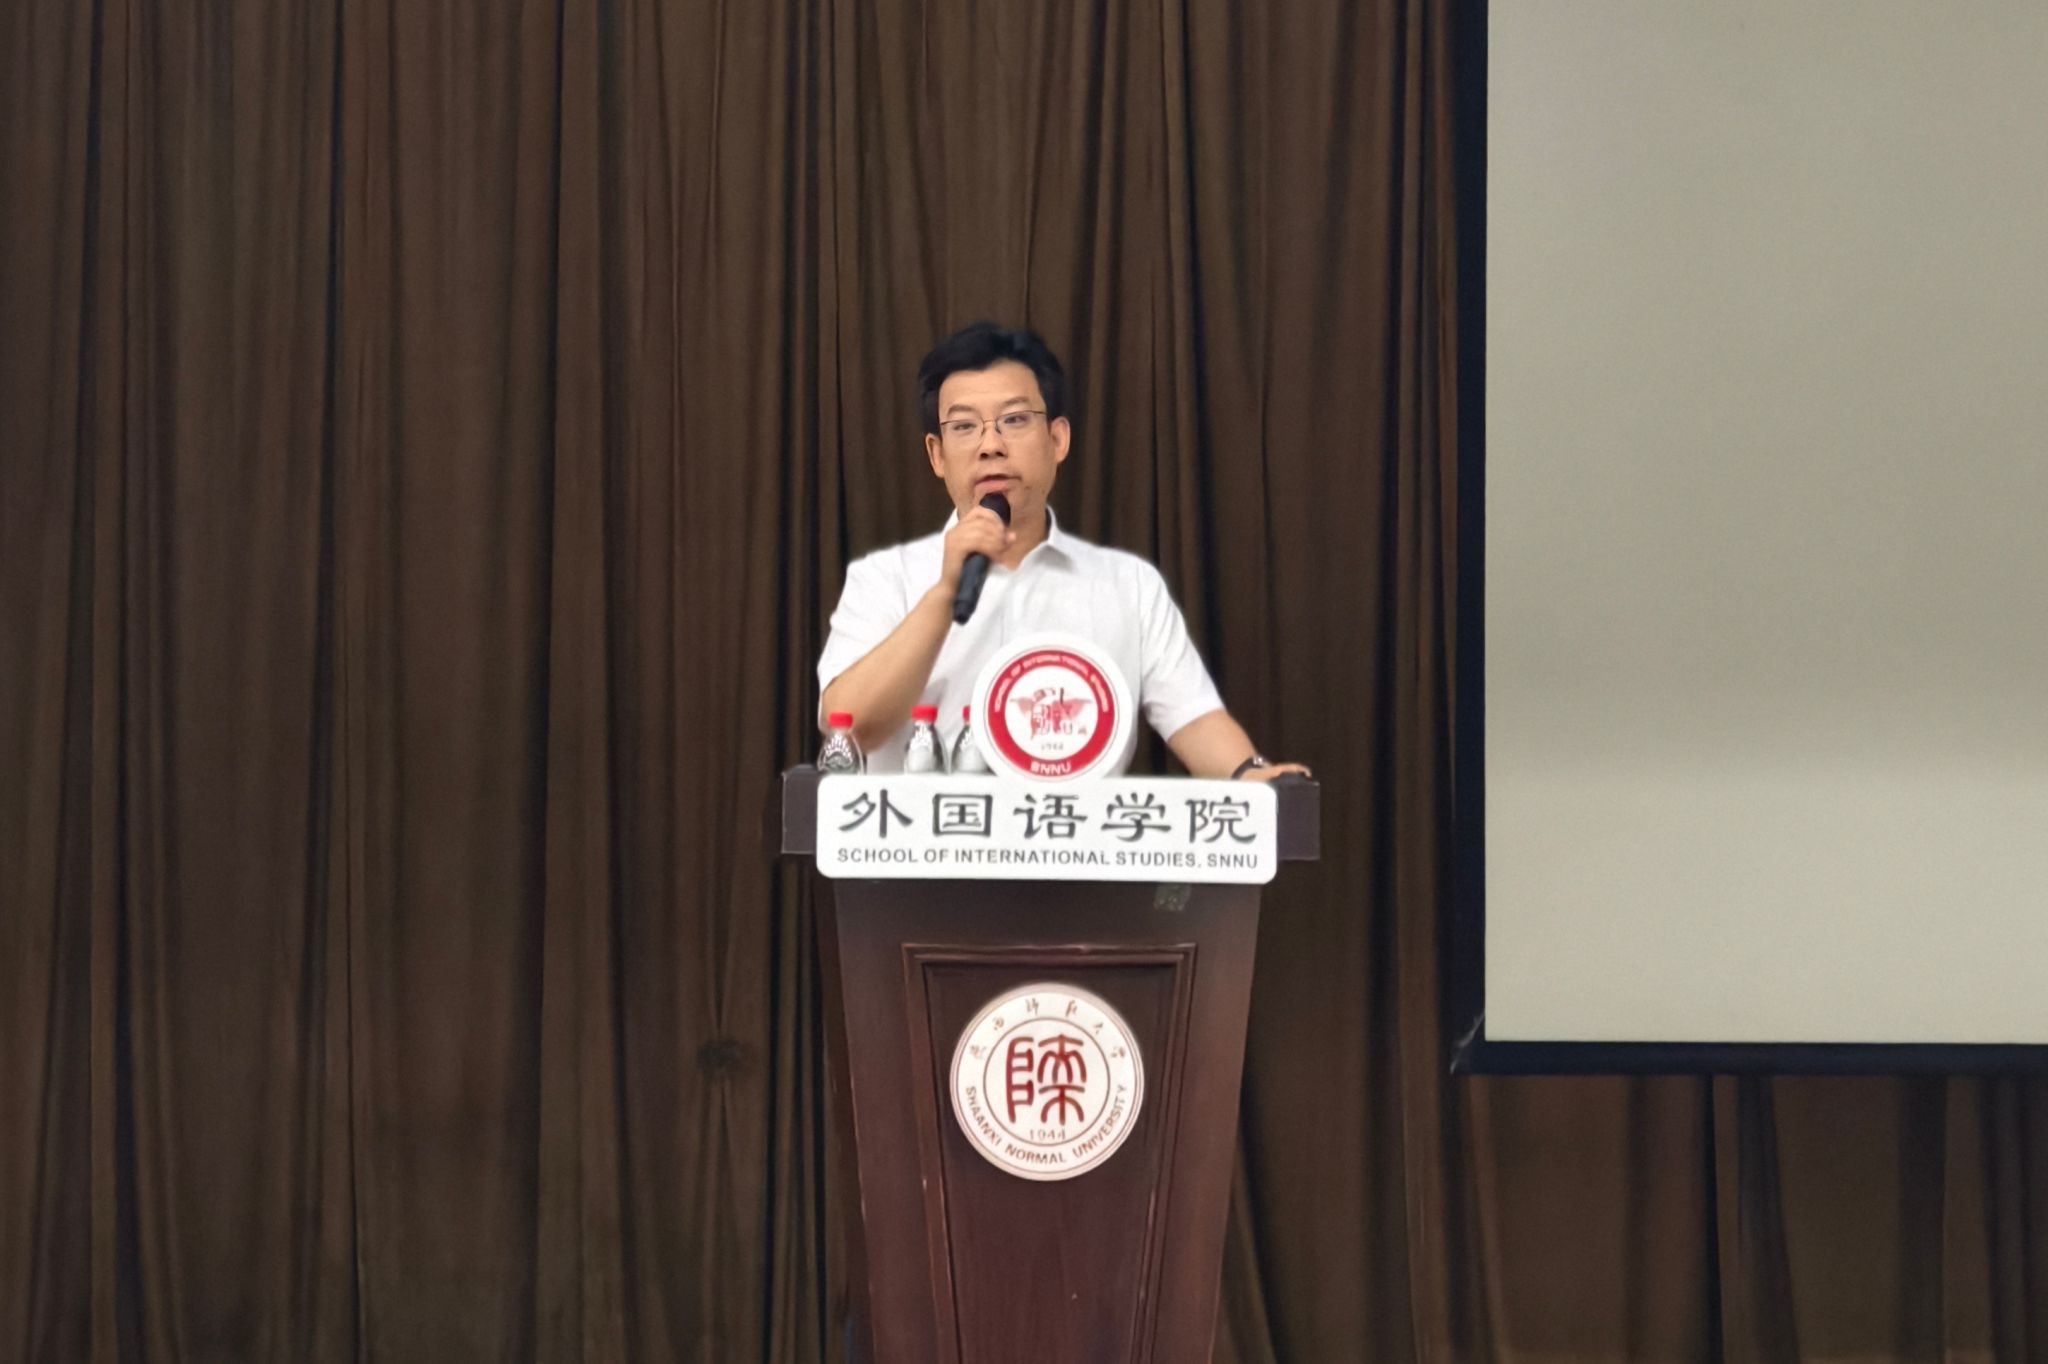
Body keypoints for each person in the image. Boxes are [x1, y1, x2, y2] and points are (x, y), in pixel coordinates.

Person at [817, 322, 1311, 781]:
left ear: (1057, 439)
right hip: (921, 845)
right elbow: (849, 728)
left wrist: (1250, 776)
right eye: (964, 426)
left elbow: (1194, 717)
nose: (991, 445)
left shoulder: (1129, 585)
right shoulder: (884, 578)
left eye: (1014, 420)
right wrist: (946, 592)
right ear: (937, 455)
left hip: (1076, 845)